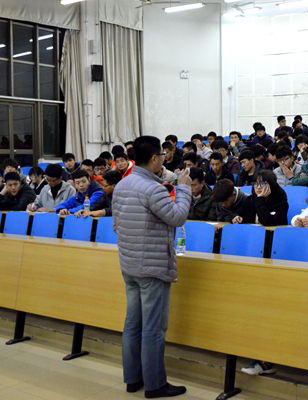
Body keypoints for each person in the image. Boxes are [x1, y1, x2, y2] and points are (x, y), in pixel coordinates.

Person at [111, 136, 192, 398]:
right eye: (162, 156)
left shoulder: (122, 185)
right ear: (155, 158)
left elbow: (116, 225)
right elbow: (177, 217)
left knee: (132, 324)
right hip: (153, 267)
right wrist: (184, 189)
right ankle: (155, 385)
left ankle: (133, 379)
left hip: (129, 265)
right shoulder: (153, 189)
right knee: (153, 328)